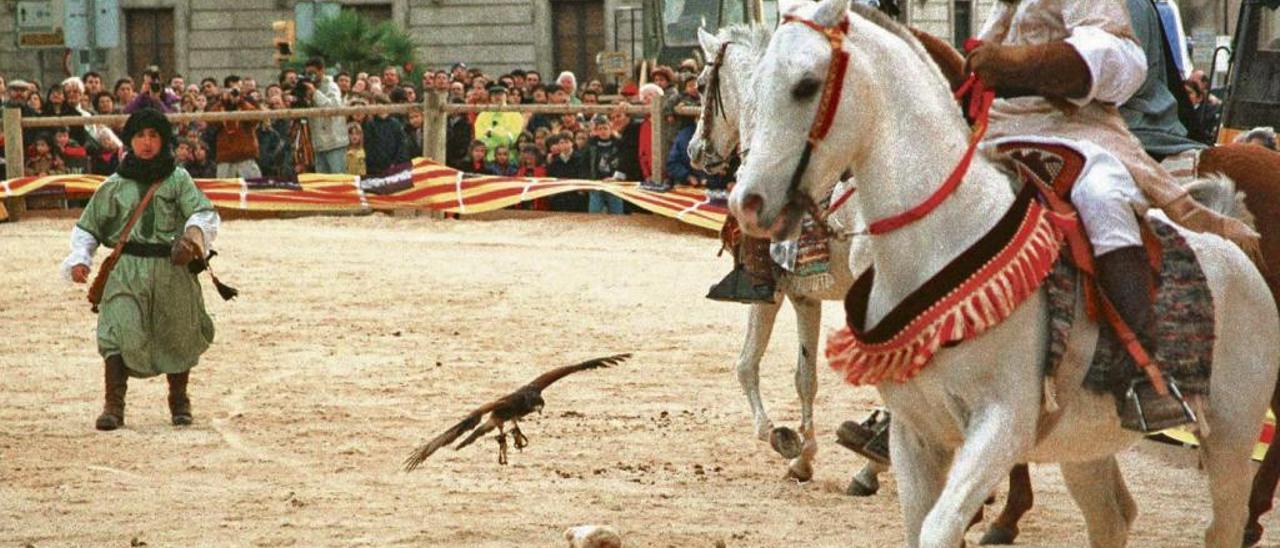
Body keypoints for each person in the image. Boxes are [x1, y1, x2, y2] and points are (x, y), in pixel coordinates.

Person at [966, 0, 1259, 431]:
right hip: (995, 130)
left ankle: (1149, 371)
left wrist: (1019, 62)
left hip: (1070, 127)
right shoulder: (1002, 7)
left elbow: (1118, 58)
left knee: (1102, 193)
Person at [61, 108, 221, 431]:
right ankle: (113, 406)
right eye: (140, 136)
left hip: (171, 268)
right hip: (127, 270)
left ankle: (179, 400)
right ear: (130, 141)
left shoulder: (179, 180)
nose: (147, 143)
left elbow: (203, 213)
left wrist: (191, 239)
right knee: (118, 330)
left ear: (164, 141)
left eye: (154, 136)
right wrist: (81, 259)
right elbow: (89, 227)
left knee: (177, 331)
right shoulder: (114, 185)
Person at [302, 57, 349, 174]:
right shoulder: (309, 87)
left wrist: (315, 93)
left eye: (313, 73)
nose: (311, 76)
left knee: (338, 180)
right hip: (318, 143)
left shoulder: (332, 86)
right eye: (308, 73)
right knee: (323, 182)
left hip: (334, 142)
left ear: (322, 70)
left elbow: (334, 107)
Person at [208, 76, 262, 179]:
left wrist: (241, 101)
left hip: (246, 155)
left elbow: (255, 118)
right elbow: (210, 121)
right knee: (225, 191)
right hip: (225, 156)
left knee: (254, 188)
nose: (234, 93)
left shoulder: (247, 101)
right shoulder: (218, 104)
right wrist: (223, 101)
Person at [586, 115, 627, 215]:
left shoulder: (619, 143)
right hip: (596, 184)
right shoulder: (591, 144)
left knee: (617, 216)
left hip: (615, 184)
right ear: (596, 130)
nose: (603, 131)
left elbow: (624, 163)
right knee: (594, 215)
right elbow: (585, 163)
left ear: (610, 129)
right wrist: (588, 180)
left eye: (605, 128)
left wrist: (617, 178)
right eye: (600, 129)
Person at [362, 93, 411, 176]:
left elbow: (401, 145)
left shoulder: (396, 124)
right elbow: (368, 146)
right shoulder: (369, 124)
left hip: (394, 167)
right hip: (374, 168)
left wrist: (395, 163)